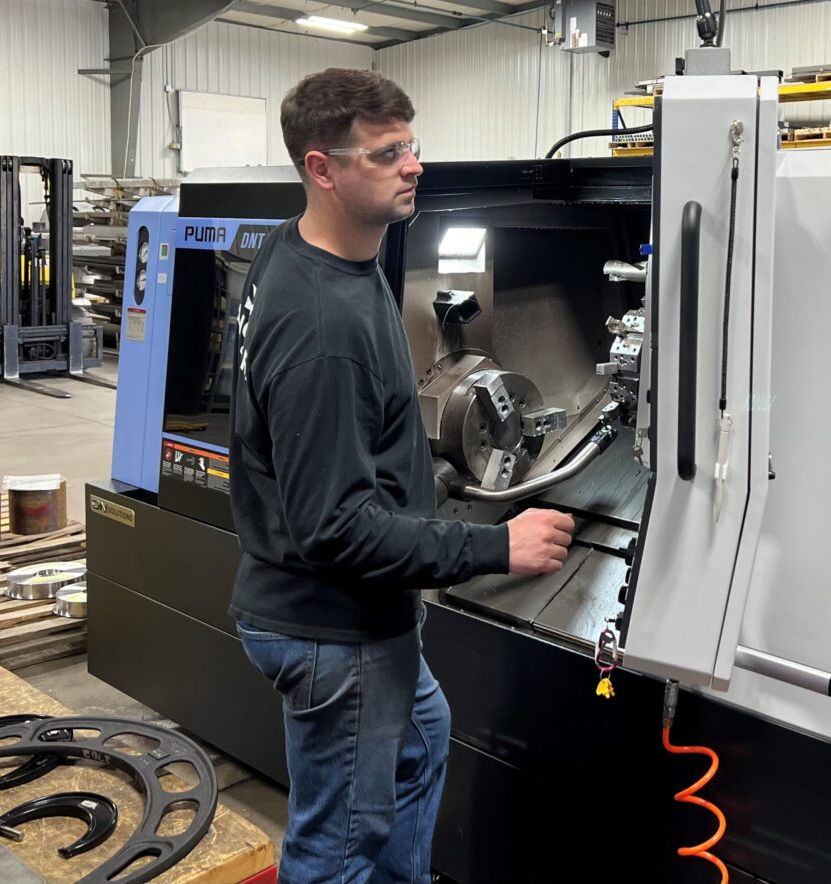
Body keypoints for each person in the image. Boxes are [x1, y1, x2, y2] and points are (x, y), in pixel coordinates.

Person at [228, 67, 575, 883]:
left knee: (420, 745)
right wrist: (496, 549)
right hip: (331, 628)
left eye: (413, 146)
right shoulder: (324, 328)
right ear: (322, 169)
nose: (413, 166)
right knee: (336, 846)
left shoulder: (309, 247)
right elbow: (336, 528)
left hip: (348, 614)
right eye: (387, 154)